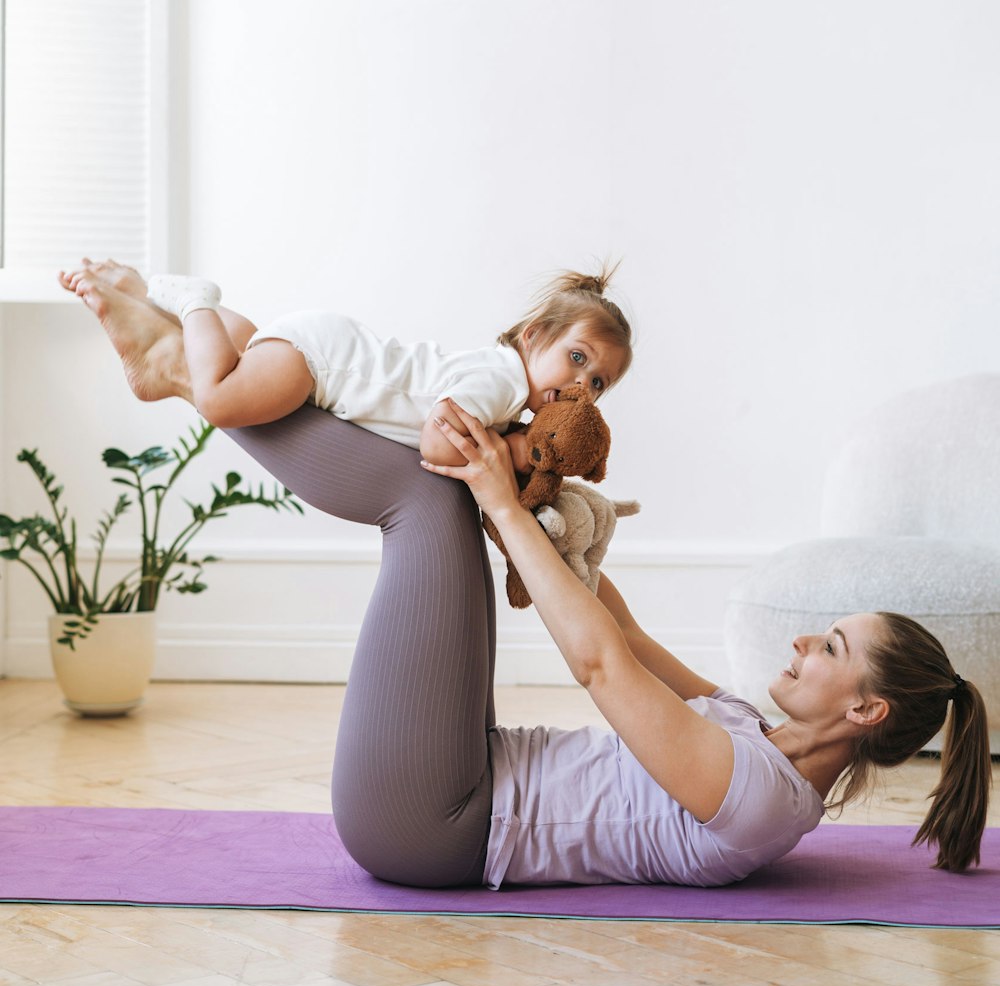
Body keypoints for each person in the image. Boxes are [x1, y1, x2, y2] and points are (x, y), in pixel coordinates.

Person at [62, 261, 992, 888]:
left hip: (435, 821)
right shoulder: (750, 728)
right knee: (448, 499)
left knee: (432, 500)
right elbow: (619, 634)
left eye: (830, 644)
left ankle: (192, 375)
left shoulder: (758, 801)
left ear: (866, 710)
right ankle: (194, 372)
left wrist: (507, 508)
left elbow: (601, 671)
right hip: (461, 766)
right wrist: (551, 534)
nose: (802, 639)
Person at [62, 262, 632, 475]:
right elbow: (437, 443)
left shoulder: (505, 384)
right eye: (577, 359)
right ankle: (194, 301)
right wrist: (509, 453)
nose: (582, 385)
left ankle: (149, 299)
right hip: (323, 363)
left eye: (599, 382)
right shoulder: (503, 381)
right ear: (533, 338)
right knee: (219, 398)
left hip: (325, 344)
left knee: (241, 354)